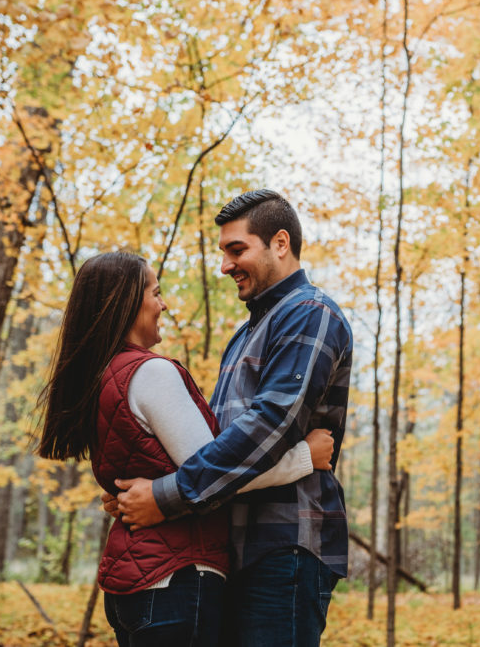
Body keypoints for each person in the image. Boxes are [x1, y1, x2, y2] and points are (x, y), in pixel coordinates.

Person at [37, 251, 334, 647]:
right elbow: (216, 473)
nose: (163, 304)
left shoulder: (104, 376)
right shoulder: (152, 372)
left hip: (138, 577)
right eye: (155, 293)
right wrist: (303, 458)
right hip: (174, 578)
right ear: (127, 301)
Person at [114, 190, 353, 647]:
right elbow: (211, 441)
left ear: (280, 243)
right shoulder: (248, 332)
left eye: (236, 249)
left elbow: (269, 425)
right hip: (234, 548)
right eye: (223, 253)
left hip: (284, 545)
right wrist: (143, 482)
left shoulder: (310, 313)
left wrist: (167, 495)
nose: (224, 266)